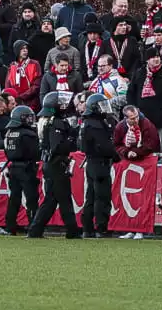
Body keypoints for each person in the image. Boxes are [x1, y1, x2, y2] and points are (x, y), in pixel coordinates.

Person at [28, 92, 82, 239]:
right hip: (56, 164)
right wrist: (71, 139)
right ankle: (72, 231)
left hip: (52, 164)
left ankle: (35, 230)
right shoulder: (56, 123)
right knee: (63, 199)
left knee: (51, 200)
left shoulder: (48, 121)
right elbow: (57, 147)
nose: (64, 105)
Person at [78, 93, 117, 238]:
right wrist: (116, 156)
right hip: (99, 162)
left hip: (91, 162)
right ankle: (101, 227)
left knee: (91, 196)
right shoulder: (96, 125)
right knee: (102, 196)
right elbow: (105, 145)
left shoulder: (87, 123)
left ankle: (87, 227)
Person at [2, 105, 40, 236]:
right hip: (26, 168)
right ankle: (33, 225)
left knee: (14, 198)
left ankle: (9, 226)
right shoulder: (29, 134)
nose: (30, 120)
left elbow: (6, 151)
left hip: (13, 168)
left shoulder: (9, 133)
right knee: (31, 198)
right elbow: (35, 152)